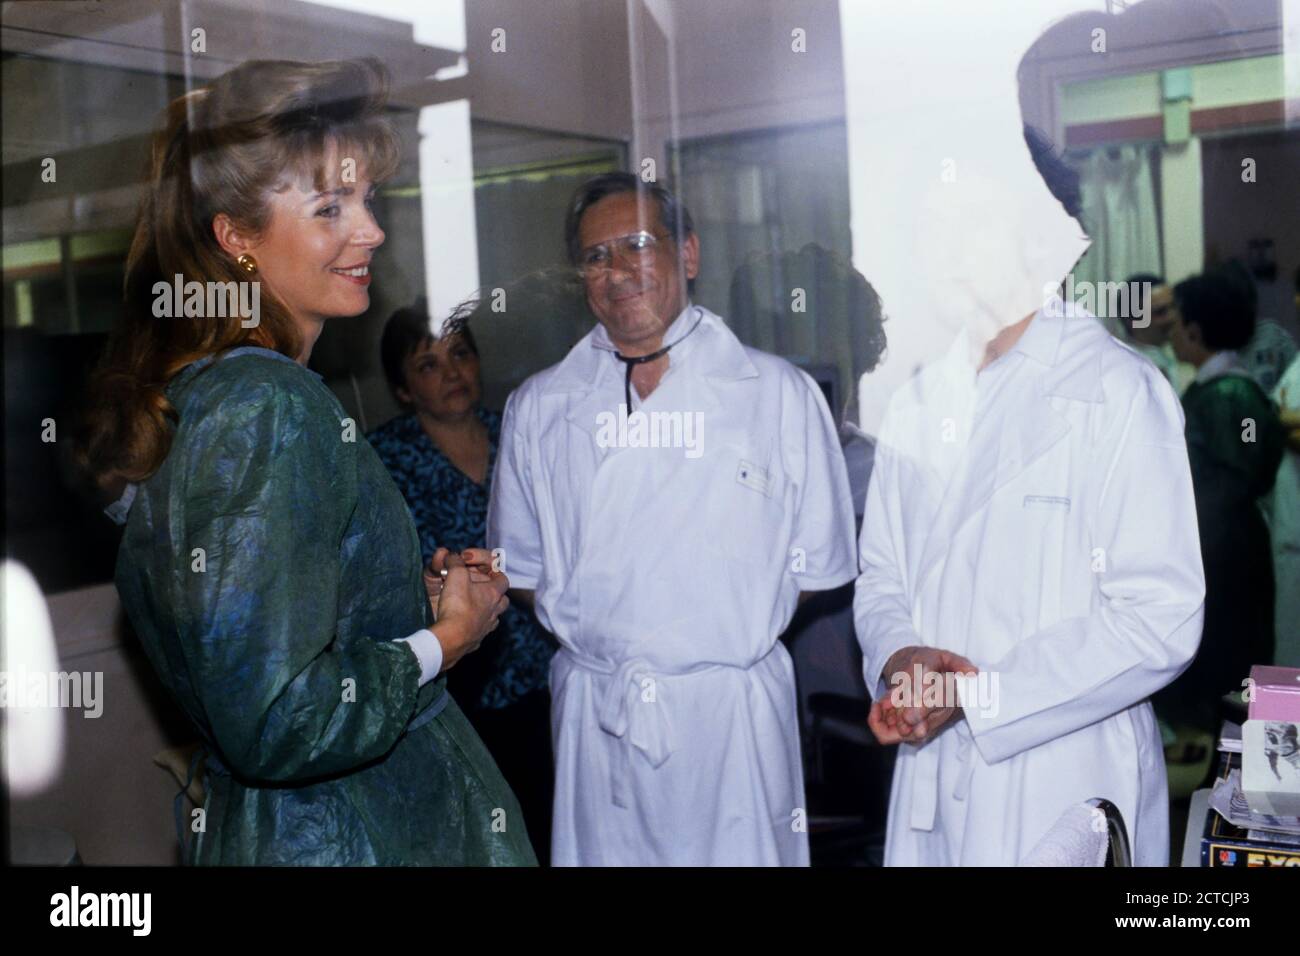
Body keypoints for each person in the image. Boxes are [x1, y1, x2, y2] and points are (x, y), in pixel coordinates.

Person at [75, 58, 535, 866]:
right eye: (331, 208)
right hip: (346, 836)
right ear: (237, 239)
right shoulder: (266, 408)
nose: (372, 231)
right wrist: (449, 639)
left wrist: (406, 609)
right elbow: (277, 719)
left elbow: (263, 638)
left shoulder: (214, 393)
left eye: (366, 199)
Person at [853, 123, 1205, 865]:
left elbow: (1160, 618)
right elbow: (881, 574)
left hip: (1064, 773)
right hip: (932, 773)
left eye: (970, 224)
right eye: (930, 229)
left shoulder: (1114, 391)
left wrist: (982, 697)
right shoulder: (917, 403)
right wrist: (901, 657)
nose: (943, 251)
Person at [486, 172, 858, 865]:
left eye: (636, 245)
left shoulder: (776, 394)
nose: (617, 270)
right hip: (599, 716)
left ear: (687, 255)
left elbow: (820, 563)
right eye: (596, 256)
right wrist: (615, 623)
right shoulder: (540, 406)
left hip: (730, 717)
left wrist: (706, 626)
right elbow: (522, 566)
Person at [368, 300, 557, 862]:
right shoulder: (383, 459)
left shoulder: (518, 433)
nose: (451, 373)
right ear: (403, 389)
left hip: (544, 664)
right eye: (428, 365)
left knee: (552, 828)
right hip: (457, 680)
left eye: (460, 355)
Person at [1159, 268, 1286, 730]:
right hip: (1228, 551)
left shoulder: (1230, 395)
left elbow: (1232, 482)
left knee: (1228, 677)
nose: (1170, 332)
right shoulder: (1223, 391)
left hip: (1224, 560)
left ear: (1194, 329)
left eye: (1175, 322)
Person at [1119, 272, 1195, 395]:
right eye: (1161, 312)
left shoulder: (1169, 358)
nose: (1173, 317)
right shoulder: (1123, 369)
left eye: (1174, 307)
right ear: (1132, 321)